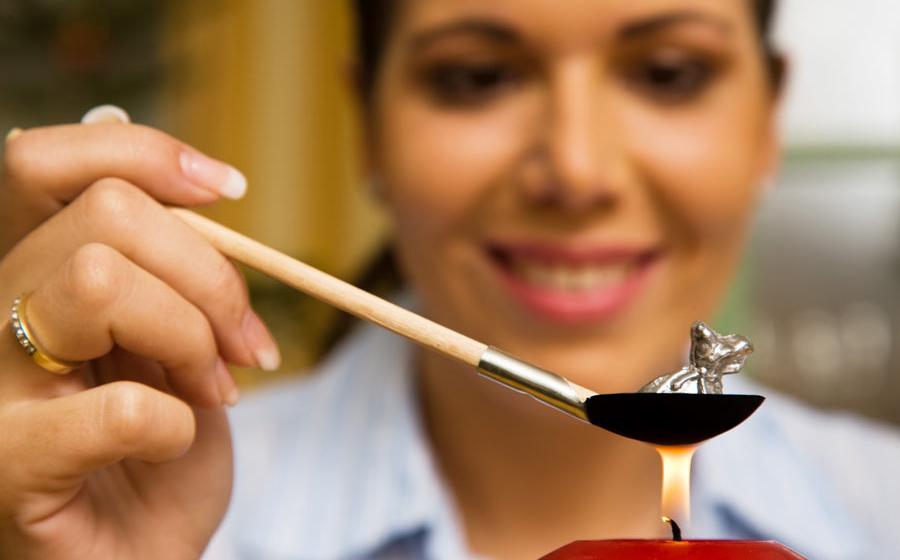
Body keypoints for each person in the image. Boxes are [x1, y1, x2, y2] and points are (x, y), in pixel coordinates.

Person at [1, 0, 898, 558]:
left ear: (768, 120)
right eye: (478, 77)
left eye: (667, 73)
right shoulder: (140, 514)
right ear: (371, 130)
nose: (578, 170)